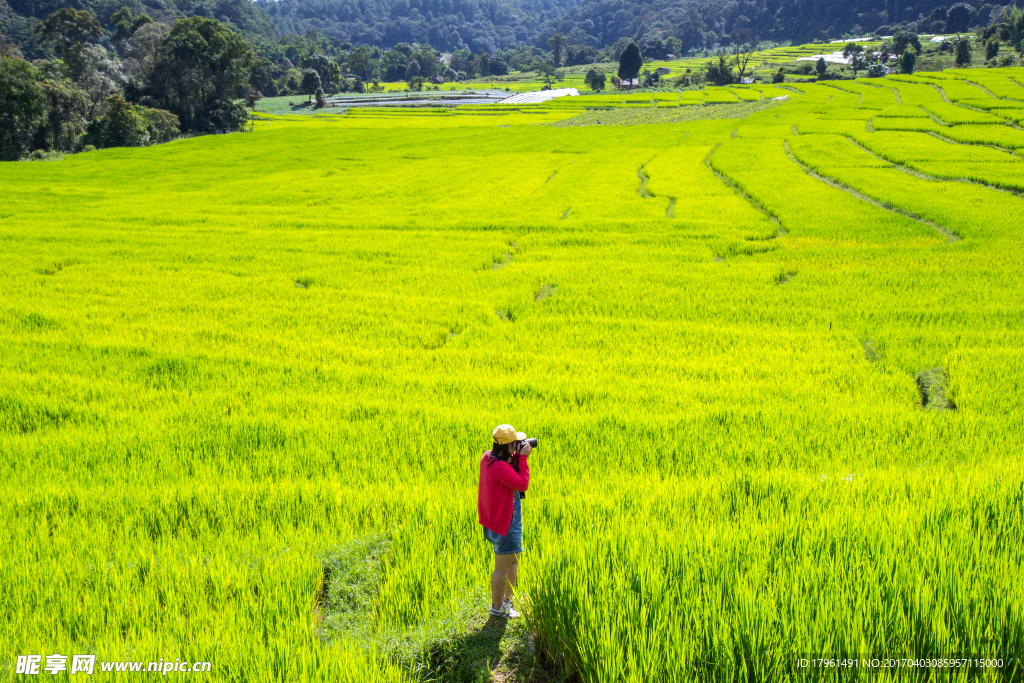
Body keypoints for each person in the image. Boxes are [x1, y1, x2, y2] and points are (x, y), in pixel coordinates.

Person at [477, 423, 532, 618]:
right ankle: (497, 609)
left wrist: (515, 455)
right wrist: (523, 458)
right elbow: (522, 484)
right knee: (501, 568)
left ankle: (507, 603)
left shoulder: (488, 457)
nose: (519, 445)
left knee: (513, 561)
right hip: (505, 523)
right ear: (508, 446)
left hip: (503, 519)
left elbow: (507, 475)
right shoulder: (499, 466)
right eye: (516, 443)